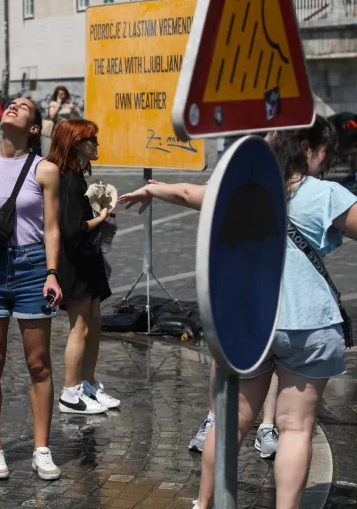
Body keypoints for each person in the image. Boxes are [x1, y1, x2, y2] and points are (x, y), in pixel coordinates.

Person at [119, 116, 357, 509]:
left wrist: (151, 190)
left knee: (230, 422)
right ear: (307, 149)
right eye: (323, 153)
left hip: (250, 322)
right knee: (296, 428)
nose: (324, 160)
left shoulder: (245, 187)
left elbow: (187, 193)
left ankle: (204, 503)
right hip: (309, 323)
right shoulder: (325, 193)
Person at [0, 97, 63, 481]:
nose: (14, 106)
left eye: (24, 107)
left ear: (33, 128)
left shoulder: (45, 170)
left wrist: (53, 272)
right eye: (12, 104)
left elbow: (51, 227)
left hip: (32, 267)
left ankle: (41, 448)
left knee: (38, 364)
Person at [46, 120, 119, 415]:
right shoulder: (66, 178)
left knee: (93, 322)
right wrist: (101, 218)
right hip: (74, 261)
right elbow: (72, 228)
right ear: (76, 143)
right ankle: (70, 391)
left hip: (86, 260)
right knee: (80, 327)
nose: (96, 145)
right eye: (92, 140)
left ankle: (86, 384)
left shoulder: (75, 176)